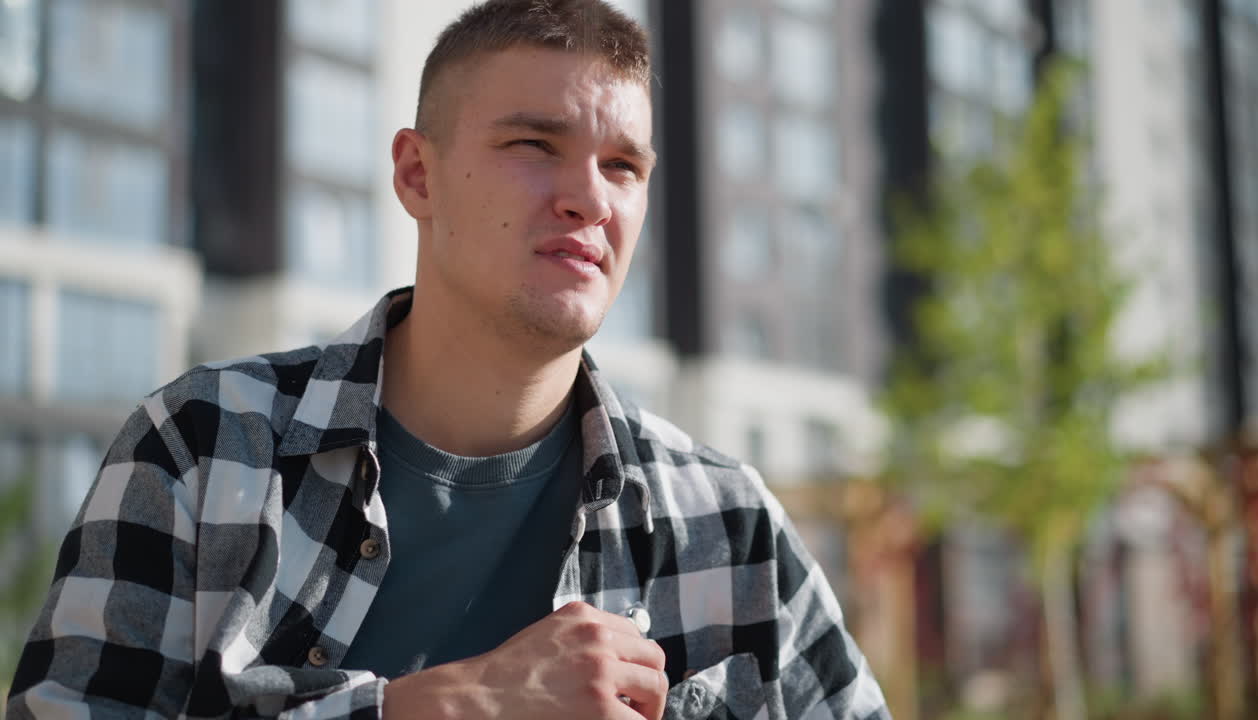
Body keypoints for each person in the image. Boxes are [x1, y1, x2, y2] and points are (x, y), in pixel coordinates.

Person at [7, 1, 890, 718]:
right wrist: (436, 709)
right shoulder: (203, 451)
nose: (589, 198)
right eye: (534, 145)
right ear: (417, 175)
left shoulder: (728, 523)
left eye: (622, 166)